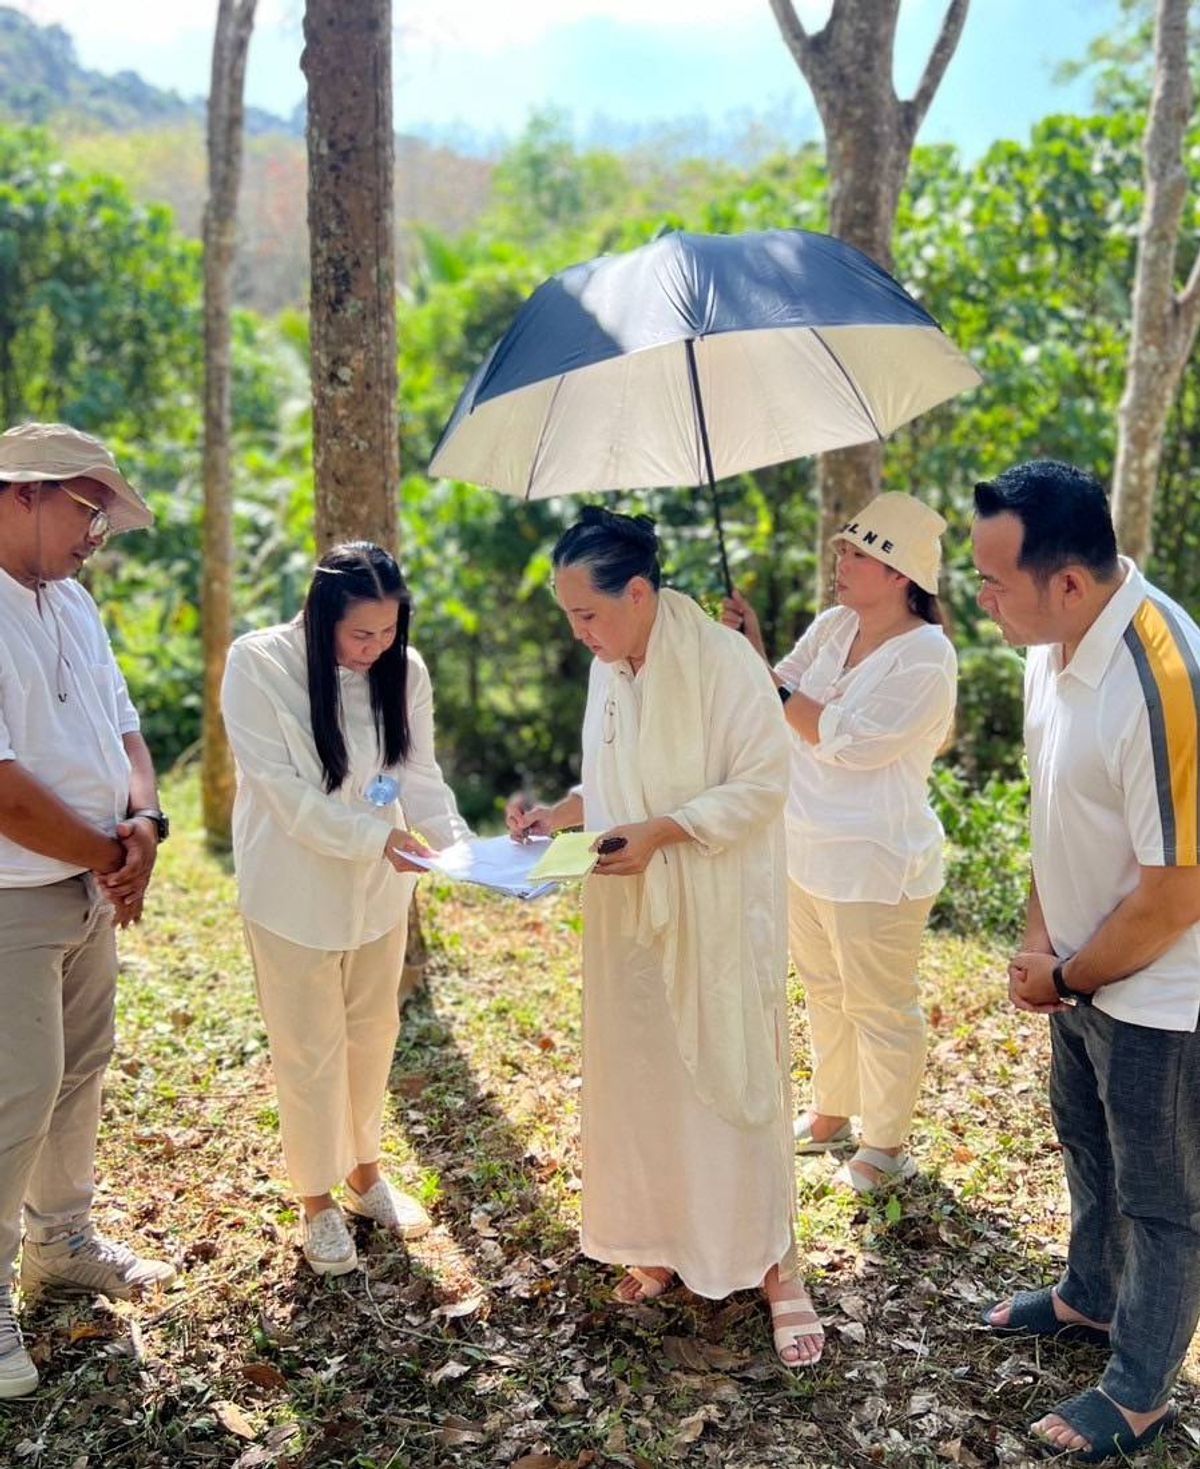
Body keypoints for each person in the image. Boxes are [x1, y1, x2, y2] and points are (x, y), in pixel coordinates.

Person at [508, 507, 822, 1369]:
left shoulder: (725, 660)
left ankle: (775, 1262)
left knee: (730, 1073)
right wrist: (558, 816)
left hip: (714, 904)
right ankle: (663, 1236)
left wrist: (667, 831)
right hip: (628, 908)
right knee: (648, 1075)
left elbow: (764, 782)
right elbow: (612, 783)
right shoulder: (609, 667)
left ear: (639, 592)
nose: (579, 633)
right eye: (570, 615)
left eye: (588, 613)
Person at [974, 460, 1198, 1465]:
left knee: (1162, 1197)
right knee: (1085, 1140)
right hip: (1079, 966)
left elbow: (1179, 892)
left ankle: (1142, 1388)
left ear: (1068, 580)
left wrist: (1070, 975)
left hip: (1161, 987)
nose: (981, 599)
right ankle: (1089, 1294)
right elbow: (1054, 805)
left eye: (995, 582)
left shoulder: (1164, 676)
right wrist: (1041, 939)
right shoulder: (1049, 645)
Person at [221, 542, 469, 1276]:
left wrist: (461, 847)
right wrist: (376, 839)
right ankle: (316, 1199)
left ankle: (365, 1172)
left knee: (372, 1031)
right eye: (362, 633)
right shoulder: (258, 665)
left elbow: (418, 773)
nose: (376, 648)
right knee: (308, 1046)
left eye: (389, 631)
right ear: (322, 613)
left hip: (378, 894)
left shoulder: (403, 669)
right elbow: (284, 794)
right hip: (292, 891)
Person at [0, 423, 177, 1401]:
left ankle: (60, 1239)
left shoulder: (71, 601)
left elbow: (125, 729)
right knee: (15, 1088)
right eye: (86, 511)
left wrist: (144, 820)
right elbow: (4, 789)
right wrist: (112, 853)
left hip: (88, 886)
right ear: (22, 493)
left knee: (79, 1068)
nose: (97, 535)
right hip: (12, 888)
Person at [724, 493, 956, 1193]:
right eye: (843, 550)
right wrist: (748, 645)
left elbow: (849, 743)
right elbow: (775, 696)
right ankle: (831, 1112)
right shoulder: (834, 625)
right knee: (824, 989)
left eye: (857, 554)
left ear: (899, 573)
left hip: (875, 860)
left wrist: (767, 678)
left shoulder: (927, 656)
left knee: (879, 1004)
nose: (841, 562)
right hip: (804, 846)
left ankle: (885, 1144)